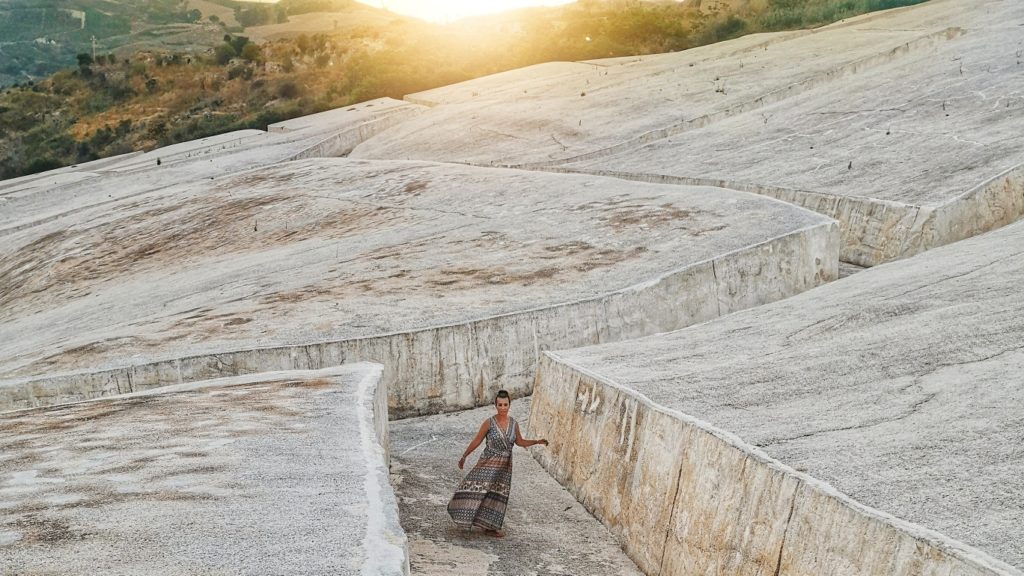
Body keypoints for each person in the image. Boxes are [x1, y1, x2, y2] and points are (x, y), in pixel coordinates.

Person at [447, 389, 549, 538]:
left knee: (497, 496)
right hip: (488, 463)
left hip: (504, 467)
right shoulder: (489, 423)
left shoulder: (514, 424)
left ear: (509, 405)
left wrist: (537, 441)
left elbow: (520, 442)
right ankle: (460, 511)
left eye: (505, 404)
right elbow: (477, 440)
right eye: (500, 405)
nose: (502, 408)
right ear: (496, 405)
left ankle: (490, 527)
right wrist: (464, 456)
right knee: (476, 488)